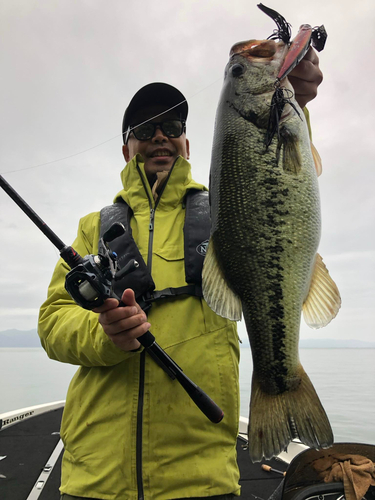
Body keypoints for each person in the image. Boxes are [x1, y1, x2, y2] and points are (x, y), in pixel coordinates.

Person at [38, 47, 323, 500]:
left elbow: (278, 182)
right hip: (95, 478)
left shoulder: (227, 209)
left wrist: (296, 107)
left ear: (188, 143)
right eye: (143, 129)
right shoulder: (94, 227)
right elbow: (52, 323)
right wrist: (102, 332)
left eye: (172, 127)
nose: (159, 137)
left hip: (200, 478)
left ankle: (280, 380)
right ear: (126, 146)